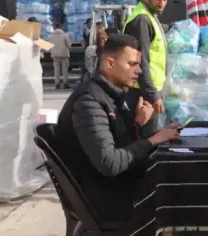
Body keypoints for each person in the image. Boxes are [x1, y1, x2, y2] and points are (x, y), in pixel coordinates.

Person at [56, 34, 181, 223]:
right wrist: (153, 140)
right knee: (177, 192)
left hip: (114, 186)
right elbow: (110, 163)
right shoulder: (88, 102)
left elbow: (119, 144)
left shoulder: (110, 94)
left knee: (178, 176)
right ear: (110, 63)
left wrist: (138, 123)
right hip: (104, 197)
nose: (139, 70)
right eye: (132, 64)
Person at [122, 0, 170, 131]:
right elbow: (141, 60)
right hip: (142, 92)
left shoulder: (150, 17)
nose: (161, 3)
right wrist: (152, 94)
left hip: (148, 89)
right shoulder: (141, 20)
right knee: (146, 138)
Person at [50, 22, 72, 89]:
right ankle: (65, 84)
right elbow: (69, 45)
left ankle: (57, 84)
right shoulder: (65, 35)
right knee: (65, 70)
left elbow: (49, 45)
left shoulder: (51, 36)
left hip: (55, 55)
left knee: (56, 70)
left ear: (55, 27)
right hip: (64, 54)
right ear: (61, 27)